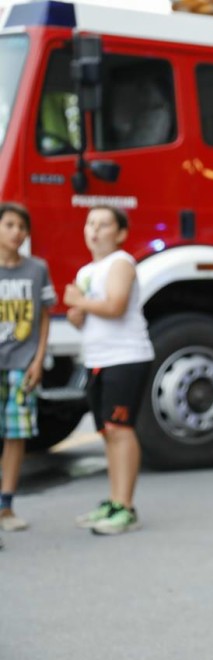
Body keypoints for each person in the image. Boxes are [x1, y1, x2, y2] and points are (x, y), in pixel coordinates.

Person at [63, 206, 155, 535]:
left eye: (104, 224)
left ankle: (126, 508)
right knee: (107, 432)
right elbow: (82, 316)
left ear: (119, 234)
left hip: (125, 358)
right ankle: (114, 501)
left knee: (121, 429)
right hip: (97, 360)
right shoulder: (89, 269)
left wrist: (80, 301)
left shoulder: (121, 263)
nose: (95, 230)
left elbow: (115, 306)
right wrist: (76, 310)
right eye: (91, 223)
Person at [0, 202, 55, 534]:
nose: (16, 232)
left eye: (22, 227)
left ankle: (6, 505)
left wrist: (38, 359)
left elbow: (44, 316)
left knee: (16, 433)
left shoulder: (37, 269)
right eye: (9, 225)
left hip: (23, 364)